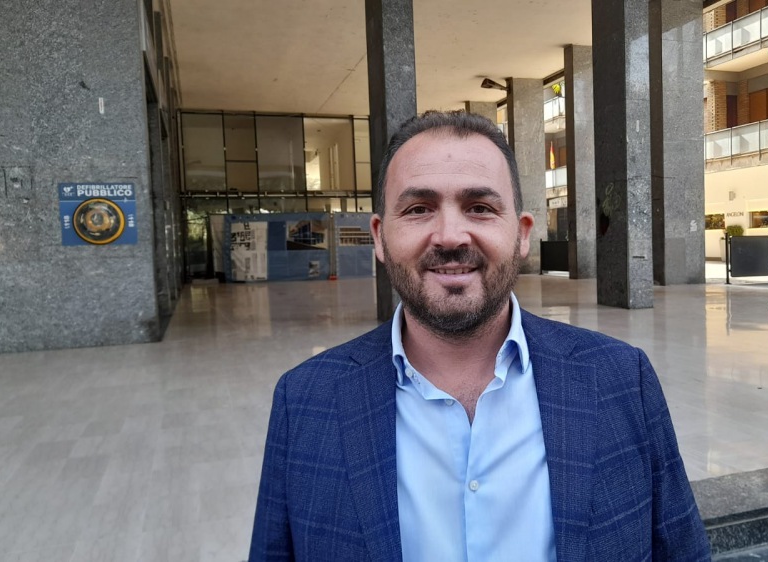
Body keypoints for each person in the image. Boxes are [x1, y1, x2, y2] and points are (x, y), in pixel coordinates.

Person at [249, 110, 710, 561]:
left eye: (480, 208)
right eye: (418, 209)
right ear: (379, 237)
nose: (451, 236)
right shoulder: (305, 401)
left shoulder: (622, 380)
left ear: (522, 235)